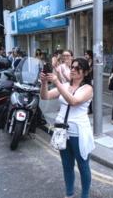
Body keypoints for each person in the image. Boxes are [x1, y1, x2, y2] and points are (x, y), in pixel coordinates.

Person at [40, 58, 94, 198]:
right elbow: (45, 96)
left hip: (78, 132)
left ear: (86, 72)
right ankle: (69, 194)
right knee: (66, 165)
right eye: (72, 67)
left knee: (83, 165)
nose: (73, 69)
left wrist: (57, 82)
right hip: (61, 131)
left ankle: (85, 195)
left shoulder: (87, 88)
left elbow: (74, 101)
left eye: (78, 68)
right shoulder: (64, 85)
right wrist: (44, 82)